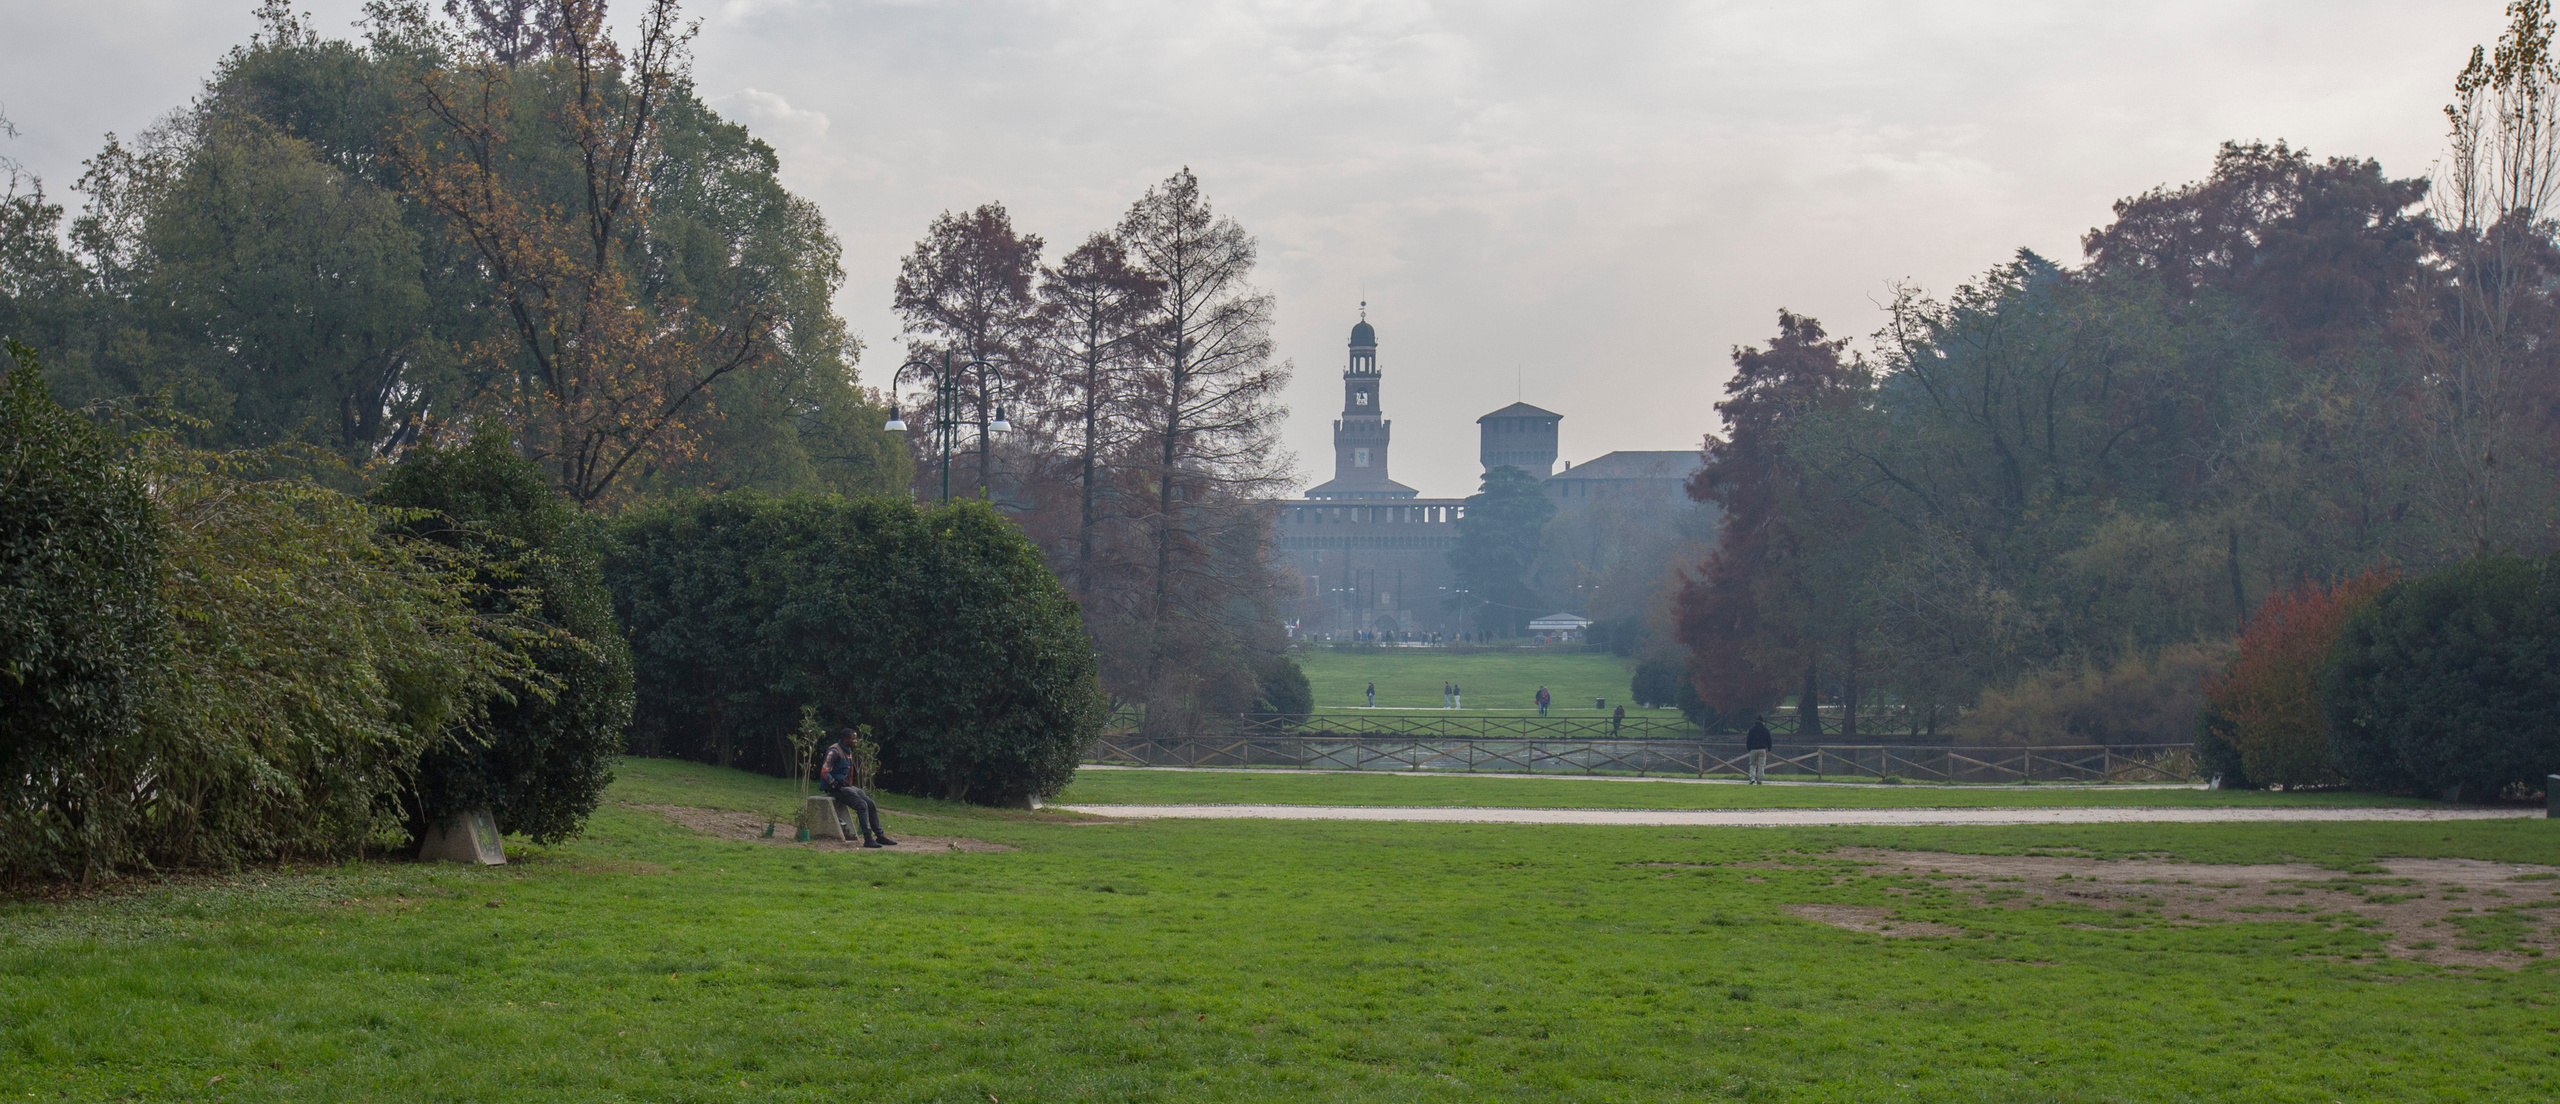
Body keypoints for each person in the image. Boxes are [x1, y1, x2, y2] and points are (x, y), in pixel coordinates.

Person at [821, 727, 896, 847]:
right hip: (836, 789)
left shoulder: (847, 750)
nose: (856, 741)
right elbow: (825, 772)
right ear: (846, 739)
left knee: (870, 803)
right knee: (861, 805)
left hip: (848, 786)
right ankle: (868, 839)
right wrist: (835, 785)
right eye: (853, 739)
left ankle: (880, 836)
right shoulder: (834, 752)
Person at [1744, 714, 1773, 785]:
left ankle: (1752, 778)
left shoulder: (1752, 729)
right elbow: (1769, 740)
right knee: (1761, 765)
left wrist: (1749, 749)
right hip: (1762, 749)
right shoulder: (1766, 729)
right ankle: (1759, 780)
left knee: (1752, 764)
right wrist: (1769, 749)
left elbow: (1748, 740)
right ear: (1763, 721)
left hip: (1753, 749)